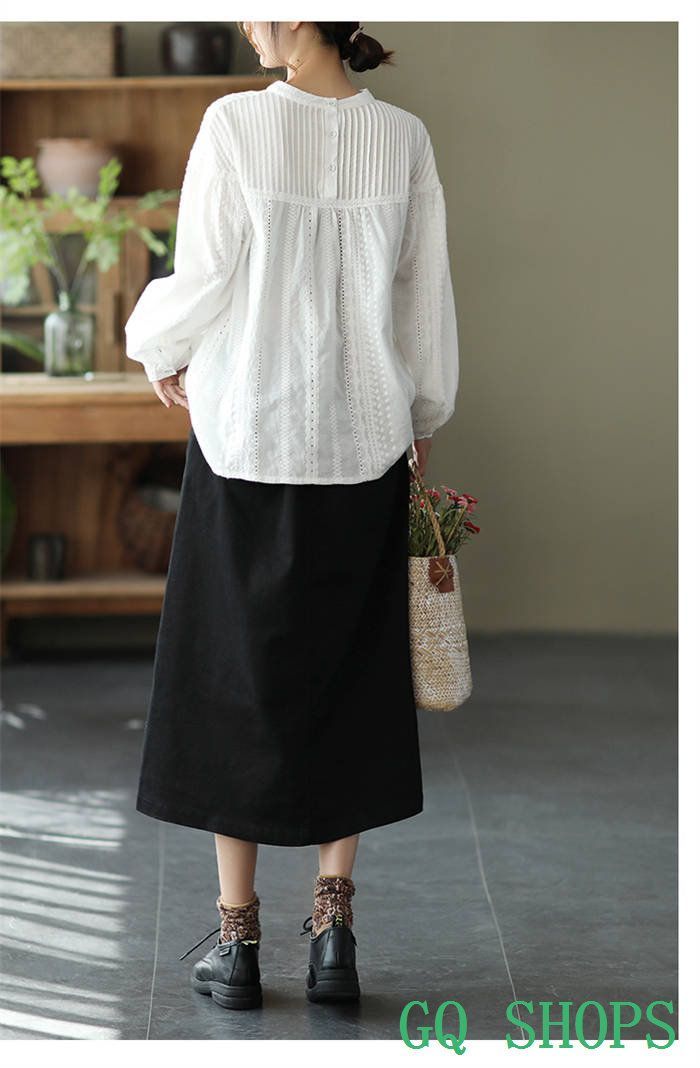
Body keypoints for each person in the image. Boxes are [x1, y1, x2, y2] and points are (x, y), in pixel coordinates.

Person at [124, 20, 459, 1011]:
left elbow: (206, 274)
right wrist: (421, 412)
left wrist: (157, 344)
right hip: (364, 442)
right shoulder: (403, 137)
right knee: (347, 681)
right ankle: (332, 937)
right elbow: (422, 294)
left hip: (247, 435)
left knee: (229, 681)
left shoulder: (236, 124)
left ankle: (236, 944)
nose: (243, 21)